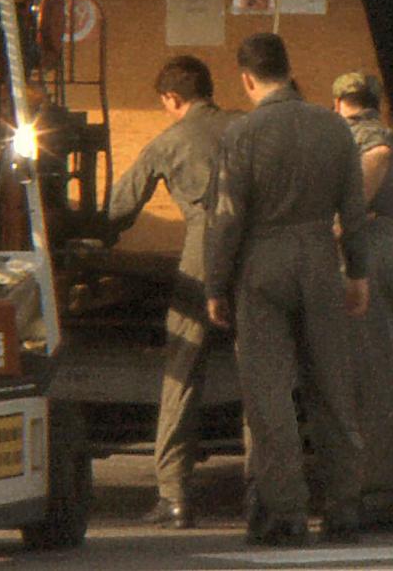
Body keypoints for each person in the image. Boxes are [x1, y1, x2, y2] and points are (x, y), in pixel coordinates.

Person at [203, 32, 370, 546]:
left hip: (262, 264)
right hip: (321, 258)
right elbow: (355, 211)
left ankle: (286, 511)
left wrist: (215, 283)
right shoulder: (335, 127)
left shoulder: (242, 133)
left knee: (269, 393)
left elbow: (226, 219)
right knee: (333, 388)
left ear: (247, 78)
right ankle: (344, 510)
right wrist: (358, 272)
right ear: (290, 68)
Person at [104, 54, 234, 528]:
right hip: (257, 252)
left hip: (203, 253)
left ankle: (174, 495)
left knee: (182, 372)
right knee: (265, 372)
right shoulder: (245, 128)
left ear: (171, 99)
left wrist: (82, 232)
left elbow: (120, 209)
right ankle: (268, 489)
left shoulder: (167, 142)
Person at [332, 70, 393, 529]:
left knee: (372, 378)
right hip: (390, 259)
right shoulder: (379, 134)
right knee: (374, 374)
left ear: (336, 102)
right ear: (377, 101)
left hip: (370, 263)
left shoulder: (369, 141)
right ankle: (384, 484)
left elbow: (350, 210)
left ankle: (382, 491)